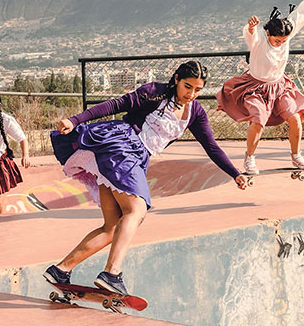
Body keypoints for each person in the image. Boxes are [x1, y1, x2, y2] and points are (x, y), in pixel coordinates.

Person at [43, 61, 247, 295]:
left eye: (197, 90)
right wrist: (76, 120)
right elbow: (116, 104)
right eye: (187, 87)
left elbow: (210, 146)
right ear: (176, 79)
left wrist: (235, 173)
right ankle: (111, 273)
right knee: (136, 211)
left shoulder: (195, 113)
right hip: (122, 145)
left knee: (112, 228)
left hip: (135, 158)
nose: (190, 94)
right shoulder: (155, 93)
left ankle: (61, 269)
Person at [216, 0, 304, 174]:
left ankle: (296, 156)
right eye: (277, 40)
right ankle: (250, 158)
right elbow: (250, 35)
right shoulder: (261, 39)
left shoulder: (285, 33)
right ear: (269, 34)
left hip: (280, 86)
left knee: (295, 117)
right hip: (255, 87)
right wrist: (252, 27)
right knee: (258, 120)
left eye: (284, 40)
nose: (280, 43)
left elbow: (301, 14)